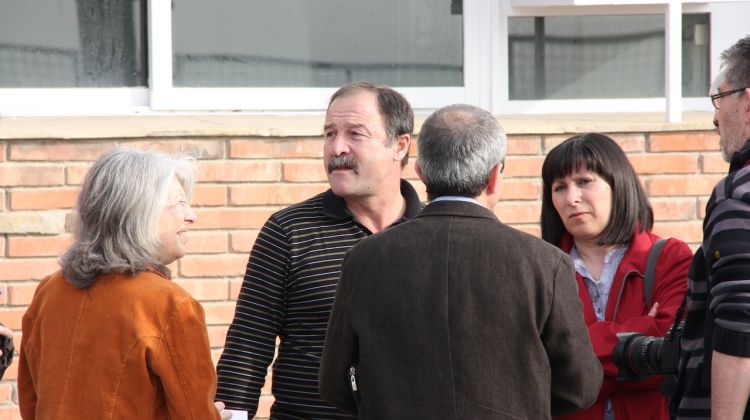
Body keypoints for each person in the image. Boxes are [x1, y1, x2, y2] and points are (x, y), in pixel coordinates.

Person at [319, 104, 602, 419]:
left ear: (421, 173)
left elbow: (335, 383)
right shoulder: (545, 263)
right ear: (495, 176)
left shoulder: (364, 259)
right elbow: (579, 387)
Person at [215, 82, 422, 418]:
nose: (337, 147)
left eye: (355, 134)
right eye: (329, 134)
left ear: (399, 145)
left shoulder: (434, 232)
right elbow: (249, 346)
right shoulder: (288, 232)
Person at [17, 148, 230, 420]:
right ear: (140, 213)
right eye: (179, 203)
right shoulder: (171, 306)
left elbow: (30, 402)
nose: (191, 216)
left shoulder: (50, 290)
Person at [539, 133, 692, 420]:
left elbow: (675, 353)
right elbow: (536, 368)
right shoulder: (538, 269)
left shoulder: (670, 259)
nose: (571, 198)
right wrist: (641, 337)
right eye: (560, 187)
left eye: (584, 181)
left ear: (617, 184)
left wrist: (571, 355)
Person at [671, 34, 750, 419]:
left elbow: (740, 327)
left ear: (747, 101)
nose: (716, 116)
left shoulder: (739, 195)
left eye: (719, 98)